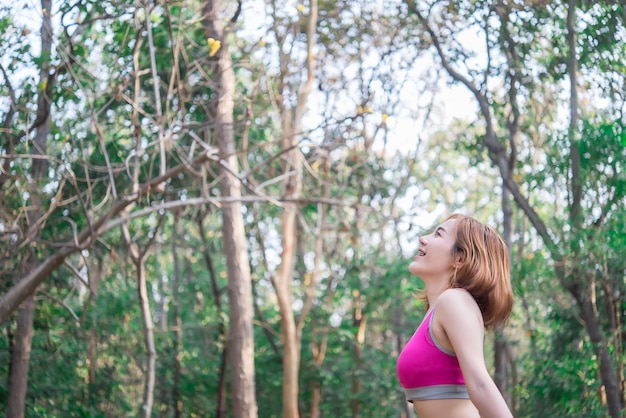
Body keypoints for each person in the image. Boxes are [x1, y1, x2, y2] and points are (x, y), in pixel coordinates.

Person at [396, 214, 514, 418]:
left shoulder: (453, 300)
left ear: (460, 258)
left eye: (438, 234)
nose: (424, 238)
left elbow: (480, 385)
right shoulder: (437, 311)